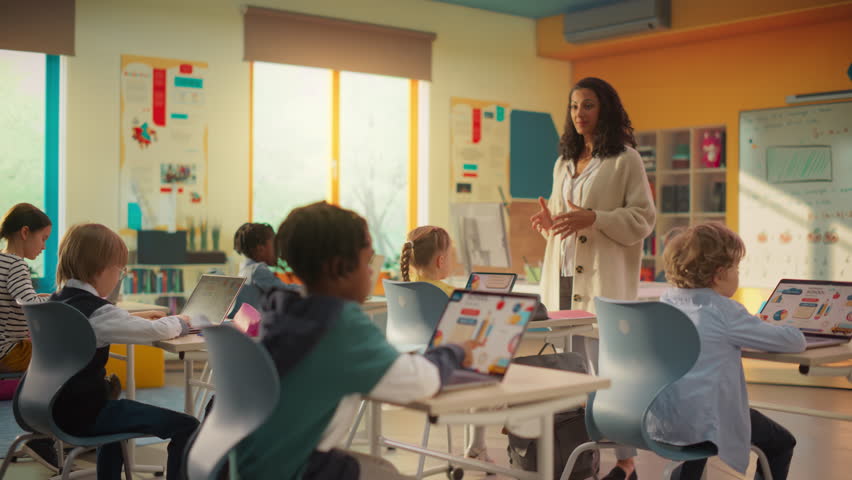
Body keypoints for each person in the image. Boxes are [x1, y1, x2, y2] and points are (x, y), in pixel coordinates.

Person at [236, 202, 474, 480]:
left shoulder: (283, 310)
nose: (373, 271)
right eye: (368, 259)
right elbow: (421, 382)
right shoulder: (339, 324)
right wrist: (455, 350)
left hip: (244, 460)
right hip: (287, 469)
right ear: (340, 267)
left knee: (382, 469)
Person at [529, 77, 655, 480]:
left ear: (605, 109)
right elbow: (564, 225)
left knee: (604, 375)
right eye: (573, 107)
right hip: (563, 278)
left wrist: (595, 218)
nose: (579, 114)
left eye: (588, 105)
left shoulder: (625, 160)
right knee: (572, 374)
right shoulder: (563, 162)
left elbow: (643, 220)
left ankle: (626, 460)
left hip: (601, 282)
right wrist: (549, 224)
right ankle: (579, 455)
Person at [650, 222, 805, 480]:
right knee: (782, 443)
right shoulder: (725, 311)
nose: (737, 273)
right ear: (719, 274)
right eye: (736, 267)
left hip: (662, 418)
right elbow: (794, 342)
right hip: (704, 423)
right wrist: (787, 323)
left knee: (697, 414)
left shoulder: (667, 301)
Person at [50, 223, 199, 480]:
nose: (120, 277)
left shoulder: (56, 301)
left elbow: (104, 321)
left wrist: (137, 317)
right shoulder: (99, 313)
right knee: (189, 426)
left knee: (114, 410)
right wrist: (184, 321)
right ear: (101, 269)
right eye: (120, 270)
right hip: (85, 415)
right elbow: (157, 332)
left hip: (48, 408)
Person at [399, 225, 490, 463]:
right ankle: (477, 446)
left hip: (412, 363)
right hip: (445, 367)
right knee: (490, 377)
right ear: (441, 260)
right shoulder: (450, 293)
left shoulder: (403, 288)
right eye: (451, 255)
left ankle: (477, 446)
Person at [0, 203, 60, 471]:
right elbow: (29, 303)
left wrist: (48, 297)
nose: (44, 247)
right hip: (9, 350)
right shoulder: (16, 265)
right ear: (25, 232)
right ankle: (42, 438)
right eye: (43, 238)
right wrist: (59, 302)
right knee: (65, 364)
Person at [230, 222, 297, 316]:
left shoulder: (245, 268)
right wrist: (309, 288)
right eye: (275, 245)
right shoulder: (258, 270)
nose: (278, 250)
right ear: (260, 249)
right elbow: (286, 291)